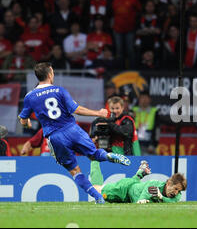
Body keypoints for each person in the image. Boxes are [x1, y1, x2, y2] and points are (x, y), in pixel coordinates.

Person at [17, 62, 131, 204]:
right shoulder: (60, 91)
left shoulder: (29, 96)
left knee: (75, 170)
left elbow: (22, 119)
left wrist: (26, 122)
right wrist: (98, 113)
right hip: (73, 129)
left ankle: (98, 197)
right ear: (50, 74)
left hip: (55, 137)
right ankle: (110, 156)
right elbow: (75, 109)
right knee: (94, 155)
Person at [91, 160, 187, 204]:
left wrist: (161, 197)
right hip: (124, 189)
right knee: (96, 189)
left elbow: (173, 201)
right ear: (169, 183)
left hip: (131, 192)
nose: (176, 193)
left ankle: (139, 174)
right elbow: (141, 200)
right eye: (176, 189)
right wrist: (141, 200)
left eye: (179, 191)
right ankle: (94, 160)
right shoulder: (153, 185)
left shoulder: (175, 195)